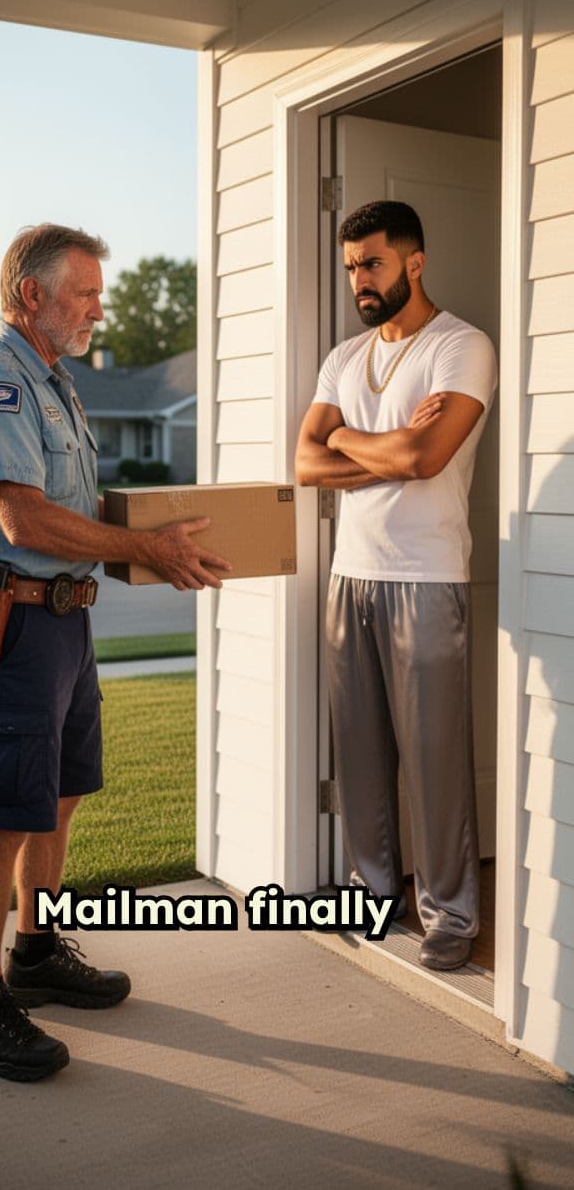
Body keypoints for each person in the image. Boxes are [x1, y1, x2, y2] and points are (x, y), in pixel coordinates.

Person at [0, 223, 231, 1082]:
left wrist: (156, 539)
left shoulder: (55, 383)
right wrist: (149, 551)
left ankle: (33, 949)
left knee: (58, 798)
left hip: (63, 616)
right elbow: (23, 518)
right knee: (3, 815)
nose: (100, 308)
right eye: (86, 292)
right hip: (10, 623)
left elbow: (72, 505)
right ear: (32, 294)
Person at [295, 200, 497, 972]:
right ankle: (370, 894)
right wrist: (368, 440)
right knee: (362, 757)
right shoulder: (345, 359)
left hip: (427, 574)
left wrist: (344, 435)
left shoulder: (460, 347)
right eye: (351, 267)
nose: (359, 280)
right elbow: (305, 464)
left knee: (437, 757)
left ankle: (451, 914)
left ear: (414, 261)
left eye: (372, 263)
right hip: (351, 575)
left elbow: (425, 459)